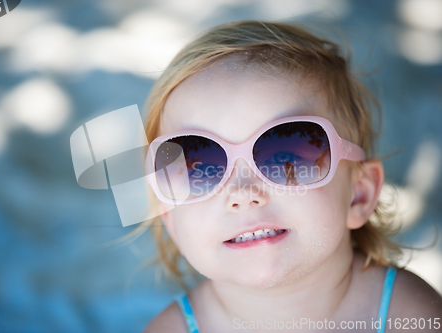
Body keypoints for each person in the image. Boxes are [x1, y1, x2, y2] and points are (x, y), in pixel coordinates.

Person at [141, 21, 442, 332]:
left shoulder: (408, 314)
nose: (243, 192)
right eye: (199, 167)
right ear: (171, 220)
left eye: (286, 156)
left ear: (359, 194)